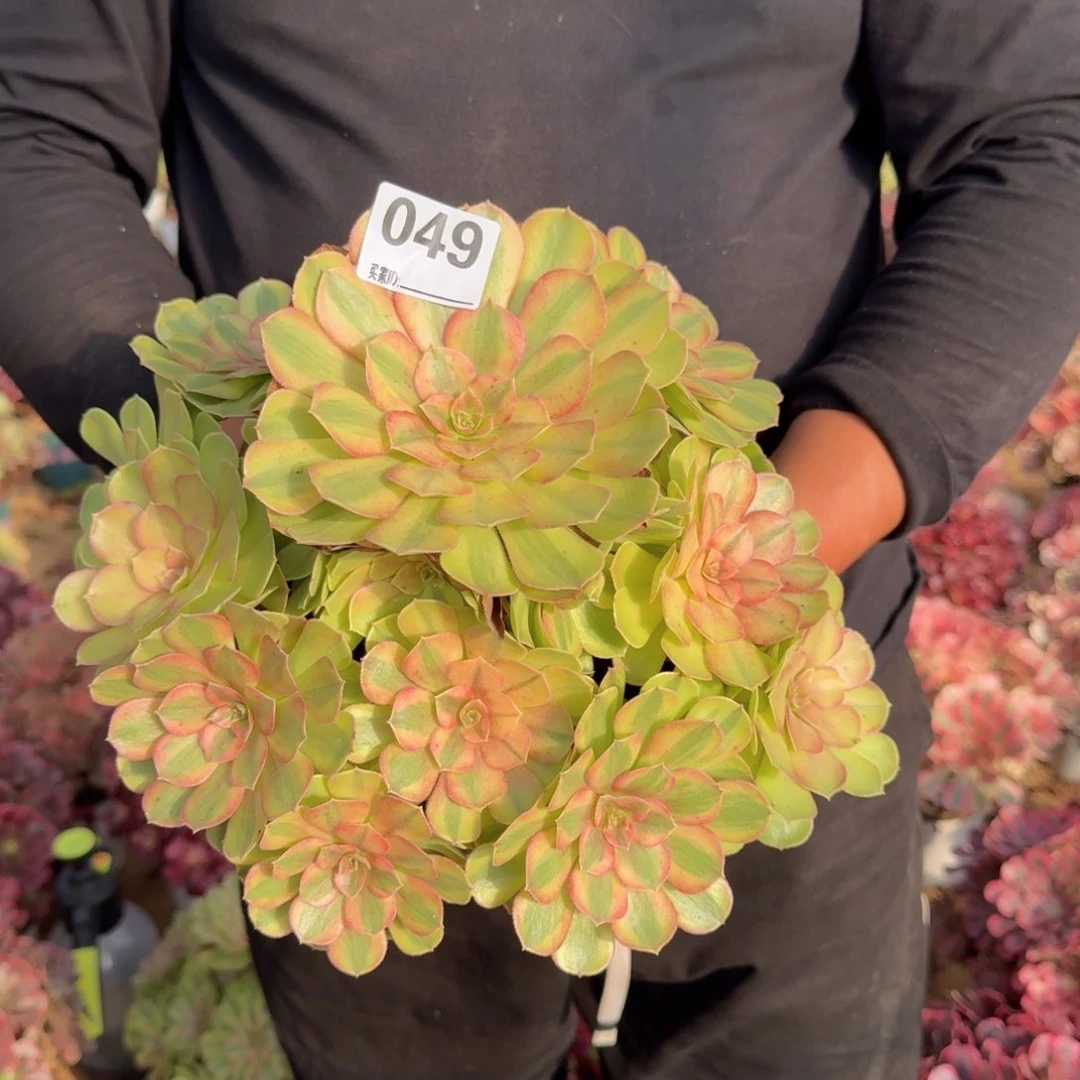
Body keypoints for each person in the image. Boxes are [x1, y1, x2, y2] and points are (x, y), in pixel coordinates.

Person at [2, 3, 1078, 1078]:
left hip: (775, 662)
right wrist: (236, 476)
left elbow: (1037, 134)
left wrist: (770, 544)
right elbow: (28, 131)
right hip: (352, 758)